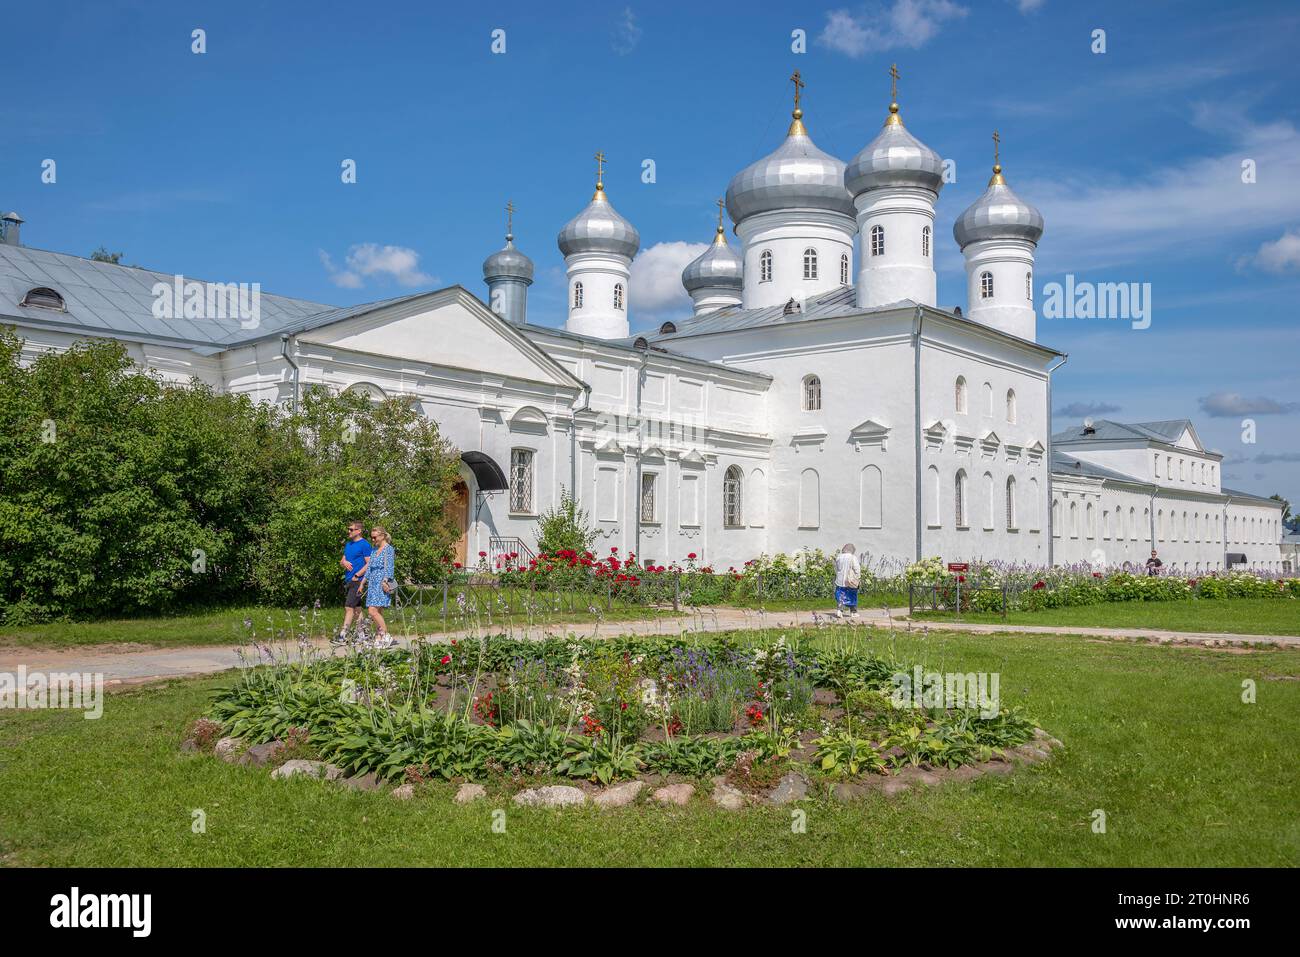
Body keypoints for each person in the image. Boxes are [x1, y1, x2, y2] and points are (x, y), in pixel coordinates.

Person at [334, 520, 372, 644]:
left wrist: (357, 574)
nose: (348, 531)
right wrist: (343, 562)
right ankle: (362, 634)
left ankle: (343, 635)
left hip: (358, 581)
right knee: (357, 609)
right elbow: (343, 560)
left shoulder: (364, 545)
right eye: (348, 529)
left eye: (351, 529)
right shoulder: (349, 544)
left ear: (359, 531)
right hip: (349, 579)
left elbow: (369, 563)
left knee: (348, 607)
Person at [361, 525, 396, 648]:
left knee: (372, 611)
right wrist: (362, 582)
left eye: (374, 537)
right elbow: (369, 567)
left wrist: (385, 581)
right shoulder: (374, 550)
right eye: (371, 537)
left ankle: (386, 635)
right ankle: (378, 636)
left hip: (382, 583)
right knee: (378, 611)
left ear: (382, 536)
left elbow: (389, 566)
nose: (373, 540)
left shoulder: (388, 549)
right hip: (373, 583)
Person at [834, 543, 861, 619]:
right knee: (852, 596)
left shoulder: (839, 557)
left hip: (840, 581)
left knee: (841, 596)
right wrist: (858, 578)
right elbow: (857, 569)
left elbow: (836, 568)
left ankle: (840, 610)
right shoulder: (852, 557)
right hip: (850, 581)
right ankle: (853, 612)